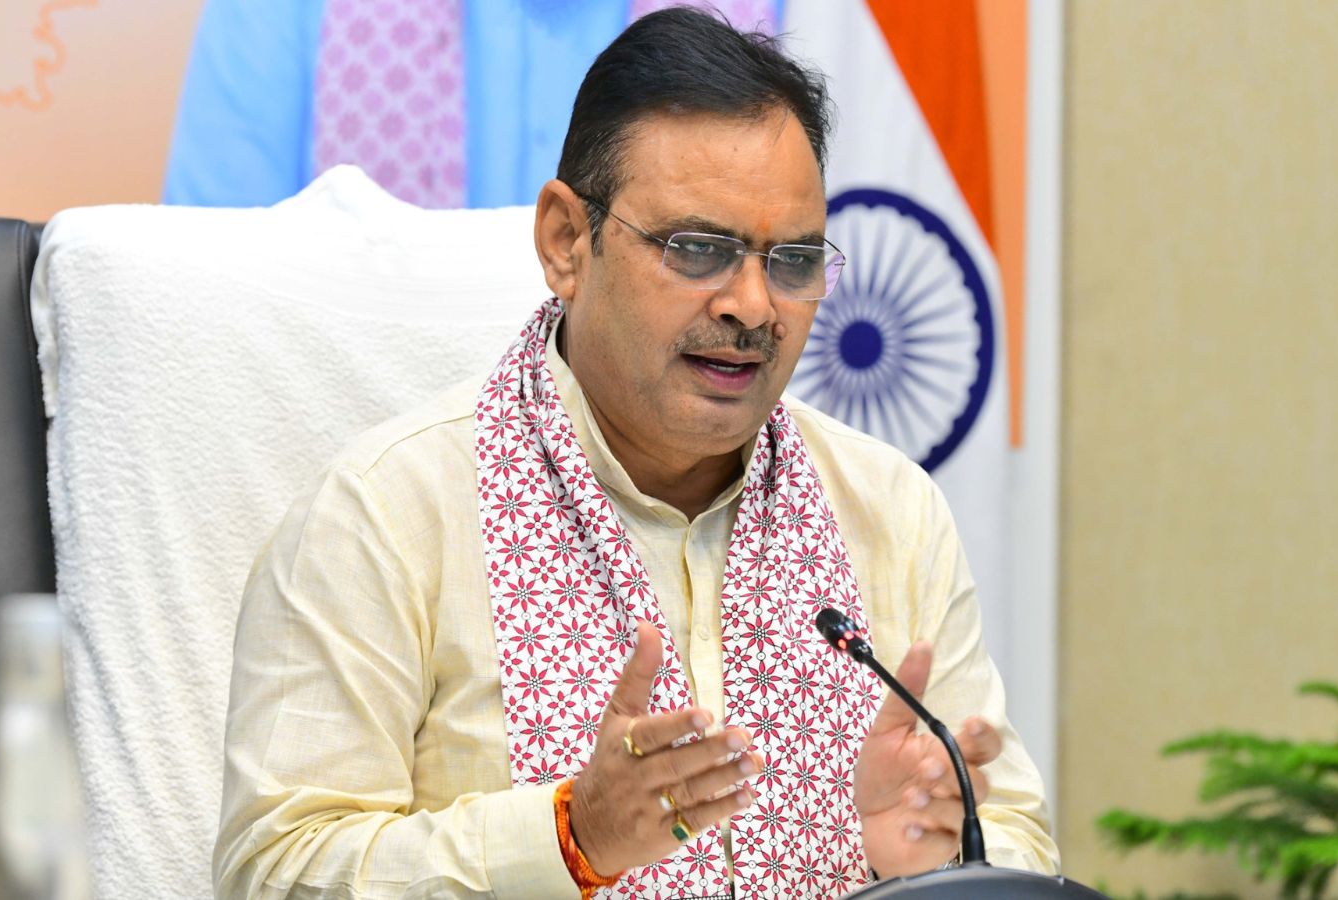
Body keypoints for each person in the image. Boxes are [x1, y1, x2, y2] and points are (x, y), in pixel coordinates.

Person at [214, 8, 1058, 898]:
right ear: (566, 242)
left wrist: (922, 865)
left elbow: (1014, 841)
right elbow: (277, 872)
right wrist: (570, 837)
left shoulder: (889, 510)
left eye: (792, 261)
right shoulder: (387, 514)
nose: (753, 307)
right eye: (698, 249)